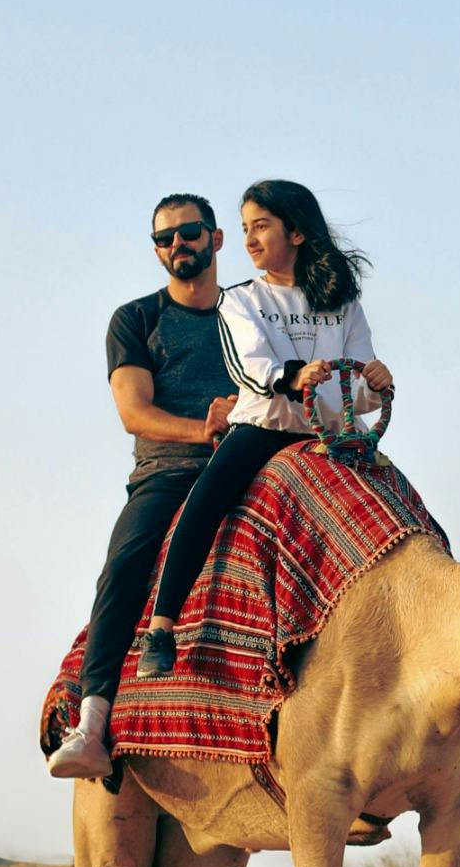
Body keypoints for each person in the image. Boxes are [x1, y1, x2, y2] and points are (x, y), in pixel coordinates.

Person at [132, 180, 392, 676]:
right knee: (203, 505)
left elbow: (356, 385)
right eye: (247, 229)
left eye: (261, 226)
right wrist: (294, 375)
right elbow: (249, 367)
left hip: (332, 436)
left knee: (409, 513)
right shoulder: (240, 300)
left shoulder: (345, 305)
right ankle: (161, 630)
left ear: (295, 232)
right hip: (263, 429)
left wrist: (374, 382)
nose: (250, 239)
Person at [46, 194, 239, 781]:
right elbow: (134, 411)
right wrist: (203, 433)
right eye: (165, 238)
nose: (178, 245)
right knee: (125, 566)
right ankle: (92, 721)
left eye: (189, 232)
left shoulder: (255, 314)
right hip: (169, 471)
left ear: (216, 238)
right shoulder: (136, 319)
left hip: (253, 462)